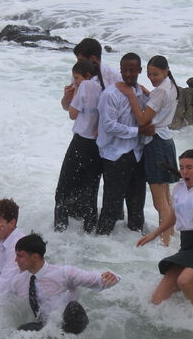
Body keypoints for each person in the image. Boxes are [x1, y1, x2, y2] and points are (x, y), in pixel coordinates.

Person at [0, 233, 120, 334]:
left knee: (73, 308)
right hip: (46, 327)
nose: (16, 260)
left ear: (35, 257)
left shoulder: (64, 273)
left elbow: (97, 280)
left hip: (72, 325)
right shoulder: (17, 281)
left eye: (20, 256)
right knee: (20, 332)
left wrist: (112, 277)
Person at [139, 149, 193, 308]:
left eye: (189, 167)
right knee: (157, 300)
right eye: (182, 167)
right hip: (187, 248)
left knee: (185, 281)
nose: (184, 171)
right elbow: (174, 216)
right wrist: (154, 234)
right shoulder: (178, 188)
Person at [118, 54, 180, 246]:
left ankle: (165, 243)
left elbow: (143, 119)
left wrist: (130, 95)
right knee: (167, 198)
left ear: (166, 71)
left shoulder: (160, 91)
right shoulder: (171, 85)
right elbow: (158, 103)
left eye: (156, 74)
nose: (152, 78)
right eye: (149, 74)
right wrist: (146, 93)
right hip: (167, 141)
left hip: (156, 144)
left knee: (159, 202)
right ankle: (173, 236)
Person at [95, 53, 152, 236]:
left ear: (139, 71)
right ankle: (100, 245)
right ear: (120, 71)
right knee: (111, 208)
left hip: (136, 154)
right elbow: (109, 126)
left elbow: (152, 109)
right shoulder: (110, 94)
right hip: (115, 156)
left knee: (137, 207)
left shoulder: (139, 92)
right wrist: (138, 132)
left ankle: (134, 250)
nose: (128, 74)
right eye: (125, 70)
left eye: (132, 70)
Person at [54, 59, 104, 232]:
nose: (74, 81)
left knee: (63, 189)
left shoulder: (85, 86)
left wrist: (74, 93)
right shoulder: (104, 85)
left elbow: (72, 114)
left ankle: (60, 229)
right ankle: (89, 229)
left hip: (81, 142)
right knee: (90, 190)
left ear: (87, 75)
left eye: (76, 78)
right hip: (98, 145)